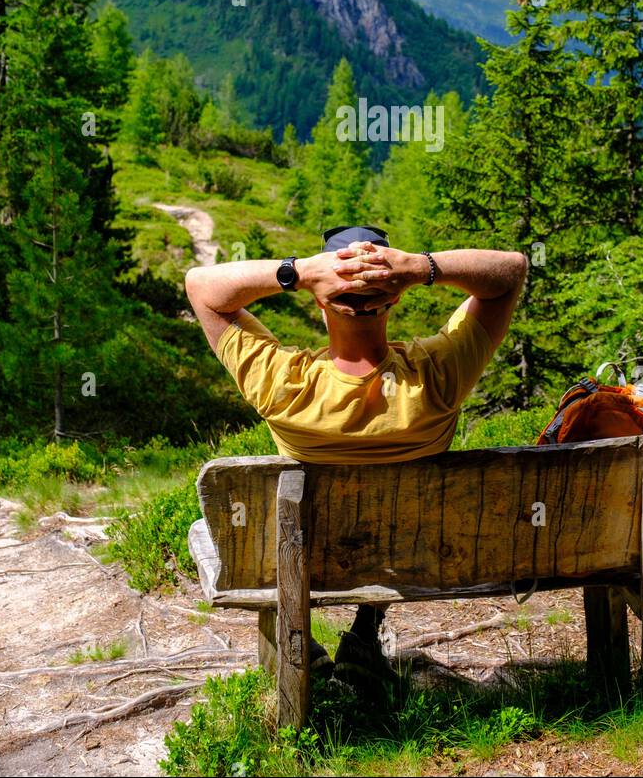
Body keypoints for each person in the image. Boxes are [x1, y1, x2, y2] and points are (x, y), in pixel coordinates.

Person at [185, 224, 527, 689]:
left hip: (301, 559)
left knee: (259, 530)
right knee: (392, 520)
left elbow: (201, 286)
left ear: (320, 303)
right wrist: (416, 267)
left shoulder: (281, 385)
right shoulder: (439, 378)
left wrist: (298, 272)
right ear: (395, 298)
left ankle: (295, 646)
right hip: (416, 558)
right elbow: (510, 271)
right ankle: (365, 631)